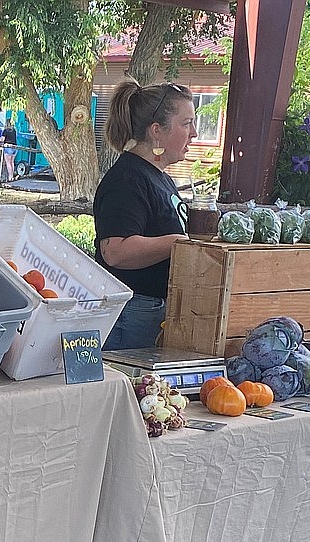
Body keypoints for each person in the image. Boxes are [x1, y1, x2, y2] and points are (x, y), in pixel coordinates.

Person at [93, 80, 197, 350]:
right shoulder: (127, 179)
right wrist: (177, 242)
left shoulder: (158, 177)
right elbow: (115, 251)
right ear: (157, 132)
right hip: (131, 314)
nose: (194, 133)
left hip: (150, 311)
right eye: (186, 124)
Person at [1, 114, 18, 183]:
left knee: (8, 163)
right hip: (15, 147)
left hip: (8, 147)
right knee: (12, 162)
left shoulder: (5, 131)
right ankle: (12, 176)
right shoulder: (14, 130)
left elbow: (2, 139)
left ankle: (10, 177)